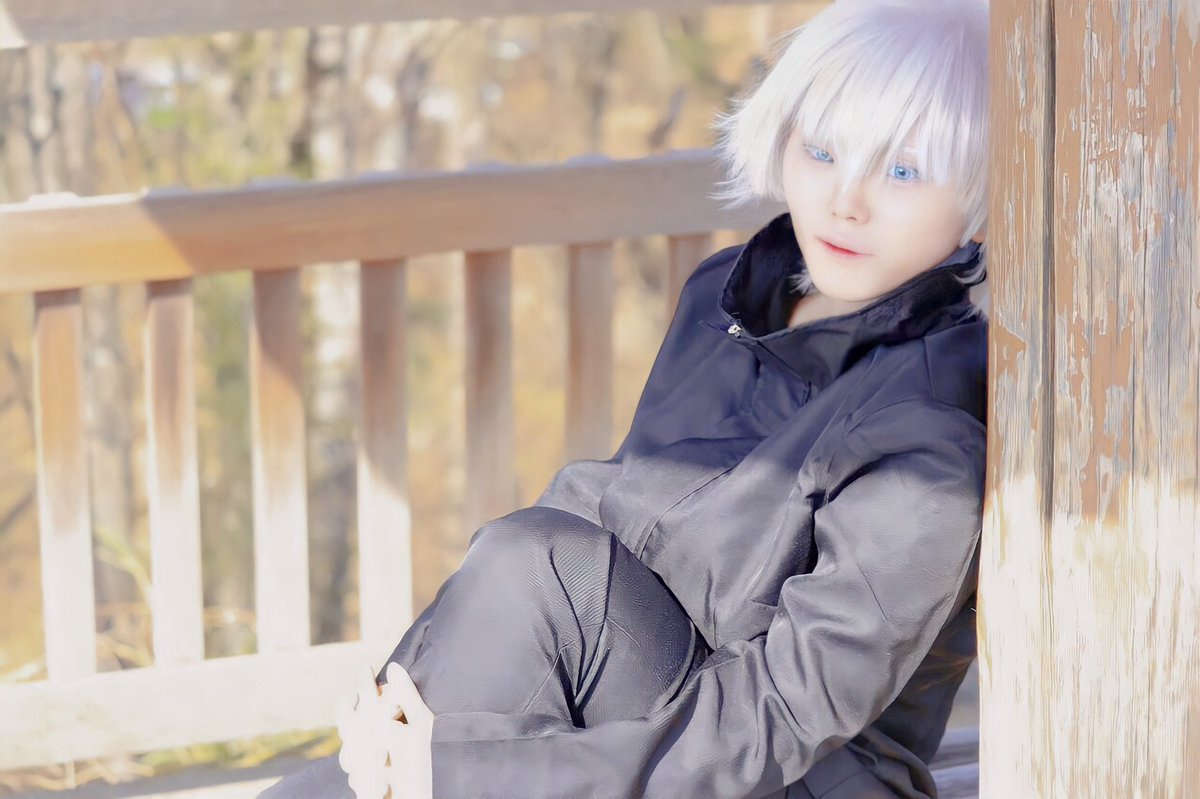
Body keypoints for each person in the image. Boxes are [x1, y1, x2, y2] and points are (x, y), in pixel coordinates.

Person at [262, 0, 990, 796]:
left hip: (790, 771)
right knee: (531, 557)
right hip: (655, 709)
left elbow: (785, 710)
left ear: (984, 190)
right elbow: (615, 513)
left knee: (532, 594)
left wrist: (471, 769)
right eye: (822, 150)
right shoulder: (728, 296)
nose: (847, 200)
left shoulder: (927, 431)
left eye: (902, 171)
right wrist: (399, 719)